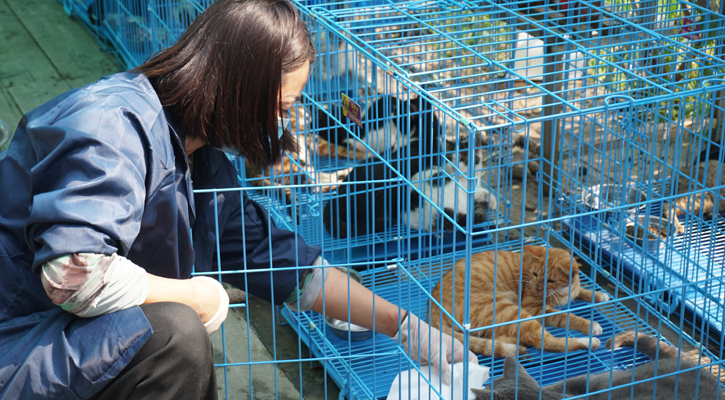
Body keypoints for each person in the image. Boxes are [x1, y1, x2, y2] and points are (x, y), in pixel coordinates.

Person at [0, 0, 476, 399]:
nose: (283, 127)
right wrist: (195, 295)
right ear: (239, 85)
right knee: (176, 335)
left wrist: (406, 327)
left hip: (63, 342)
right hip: (17, 346)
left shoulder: (201, 157)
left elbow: (285, 264)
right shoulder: (111, 127)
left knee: (174, 330)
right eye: (282, 108)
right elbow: (74, 274)